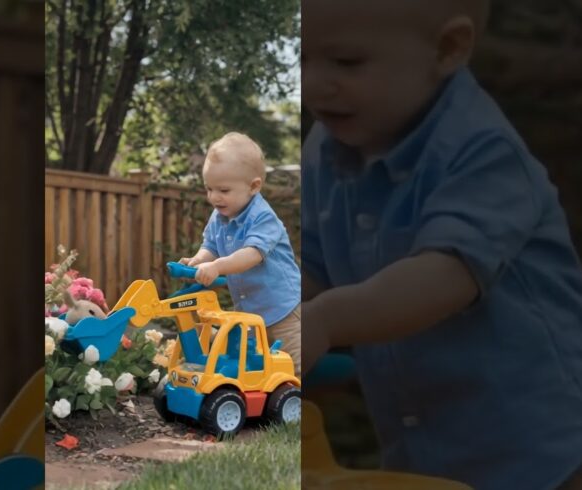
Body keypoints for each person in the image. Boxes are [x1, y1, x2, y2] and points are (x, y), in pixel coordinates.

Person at [301, 0, 582, 488]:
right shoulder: (328, 148)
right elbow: (315, 264)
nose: (311, 84)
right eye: (300, 60)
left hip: (535, 447)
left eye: (346, 62)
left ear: (449, 49)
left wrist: (325, 320)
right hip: (420, 440)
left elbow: (444, 277)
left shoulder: (484, 152)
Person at [180, 132, 302, 375]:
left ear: (254, 186)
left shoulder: (263, 217)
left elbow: (250, 255)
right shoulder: (220, 216)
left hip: (282, 308)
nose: (214, 197)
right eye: (209, 189)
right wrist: (198, 261)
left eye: (223, 190)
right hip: (249, 311)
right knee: (251, 364)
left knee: (293, 363)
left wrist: (216, 267)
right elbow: (211, 247)